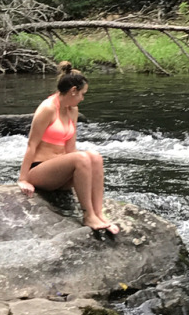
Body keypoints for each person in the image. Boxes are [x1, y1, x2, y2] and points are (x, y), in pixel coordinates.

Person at [17, 61, 120, 234]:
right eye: (82, 94)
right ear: (73, 91)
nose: (82, 98)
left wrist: (85, 166)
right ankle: (88, 215)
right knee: (82, 157)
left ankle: (98, 213)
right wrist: (23, 179)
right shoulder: (47, 109)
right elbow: (31, 144)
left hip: (61, 173)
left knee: (94, 156)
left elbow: (71, 148)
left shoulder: (72, 110)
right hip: (40, 172)